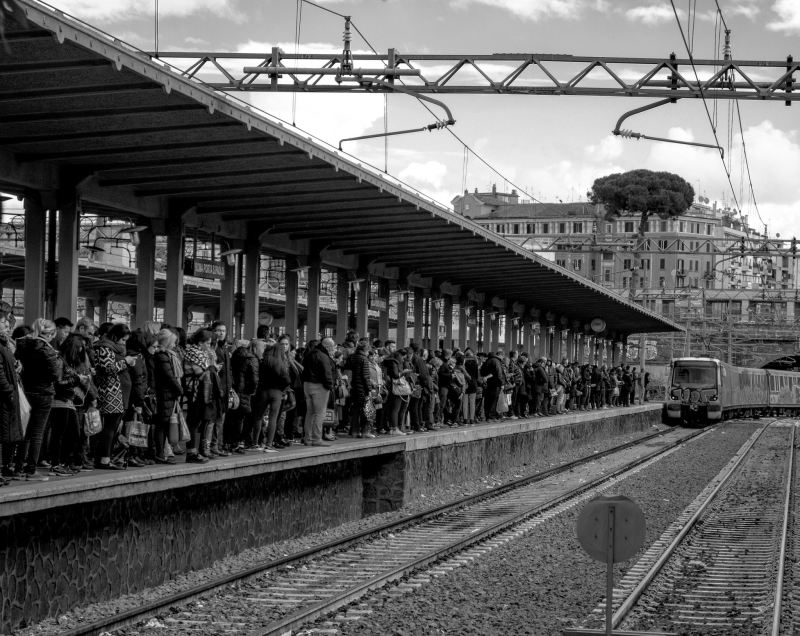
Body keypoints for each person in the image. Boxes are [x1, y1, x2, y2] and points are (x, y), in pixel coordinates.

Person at [14, 318, 60, 480]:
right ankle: (31, 470)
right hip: (44, 393)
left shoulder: (23, 345)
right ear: (50, 334)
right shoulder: (48, 350)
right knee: (37, 433)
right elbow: (55, 375)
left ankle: (18, 468)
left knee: (24, 431)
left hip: (26, 391)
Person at [93, 323, 136, 470]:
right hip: (110, 391)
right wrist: (125, 362)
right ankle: (104, 459)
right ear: (115, 337)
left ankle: (106, 457)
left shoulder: (109, 347)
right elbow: (108, 369)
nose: (124, 343)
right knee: (110, 427)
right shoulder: (104, 348)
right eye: (123, 340)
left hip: (117, 391)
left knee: (113, 426)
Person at [183, 329, 223, 461]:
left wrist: (211, 368)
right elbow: (200, 372)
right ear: (200, 342)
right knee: (193, 421)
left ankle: (197, 451)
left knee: (200, 420)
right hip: (195, 391)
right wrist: (212, 368)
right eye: (207, 343)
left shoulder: (200, 352)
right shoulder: (193, 352)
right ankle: (191, 452)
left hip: (201, 391)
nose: (209, 346)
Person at [252, 334, 292, 452]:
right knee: (273, 418)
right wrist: (282, 387)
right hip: (277, 393)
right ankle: (269, 445)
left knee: (258, 417)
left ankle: (255, 443)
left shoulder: (263, 361)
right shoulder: (280, 364)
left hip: (263, 392)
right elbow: (287, 380)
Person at [151, 328, 184, 464]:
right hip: (165, 394)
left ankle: (161, 452)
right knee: (162, 425)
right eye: (173, 342)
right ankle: (160, 454)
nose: (175, 345)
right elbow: (170, 377)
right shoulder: (163, 356)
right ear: (168, 342)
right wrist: (180, 390)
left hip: (166, 394)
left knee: (163, 425)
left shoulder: (164, 355)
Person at [0, 310, 23, 484]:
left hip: (8, 396)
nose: (7, 328)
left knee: (7, 435)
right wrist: (9, 391)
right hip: (5, 397)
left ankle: (5, 468)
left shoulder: (5, 345)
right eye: (4, 323)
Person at [300, 337, 336, 446]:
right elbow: (327, 373)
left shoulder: (310, 354)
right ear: (328, 346)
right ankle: (317, 439)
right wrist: (330, 386)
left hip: (307, 385)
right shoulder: (324, 356)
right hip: (319, 386)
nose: (333, 349)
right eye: (333, 347)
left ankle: (308, 438)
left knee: (310, 412)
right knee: (320, 413)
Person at [346, 342, 372, 438]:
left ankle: (354, 431)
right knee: (365, 410)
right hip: (361, 388)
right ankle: (364, 431)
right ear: (366, 350)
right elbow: (365, 376)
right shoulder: (364, 359)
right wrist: (369, 389)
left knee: (355, 410)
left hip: (353, 387)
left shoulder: (351, 357)